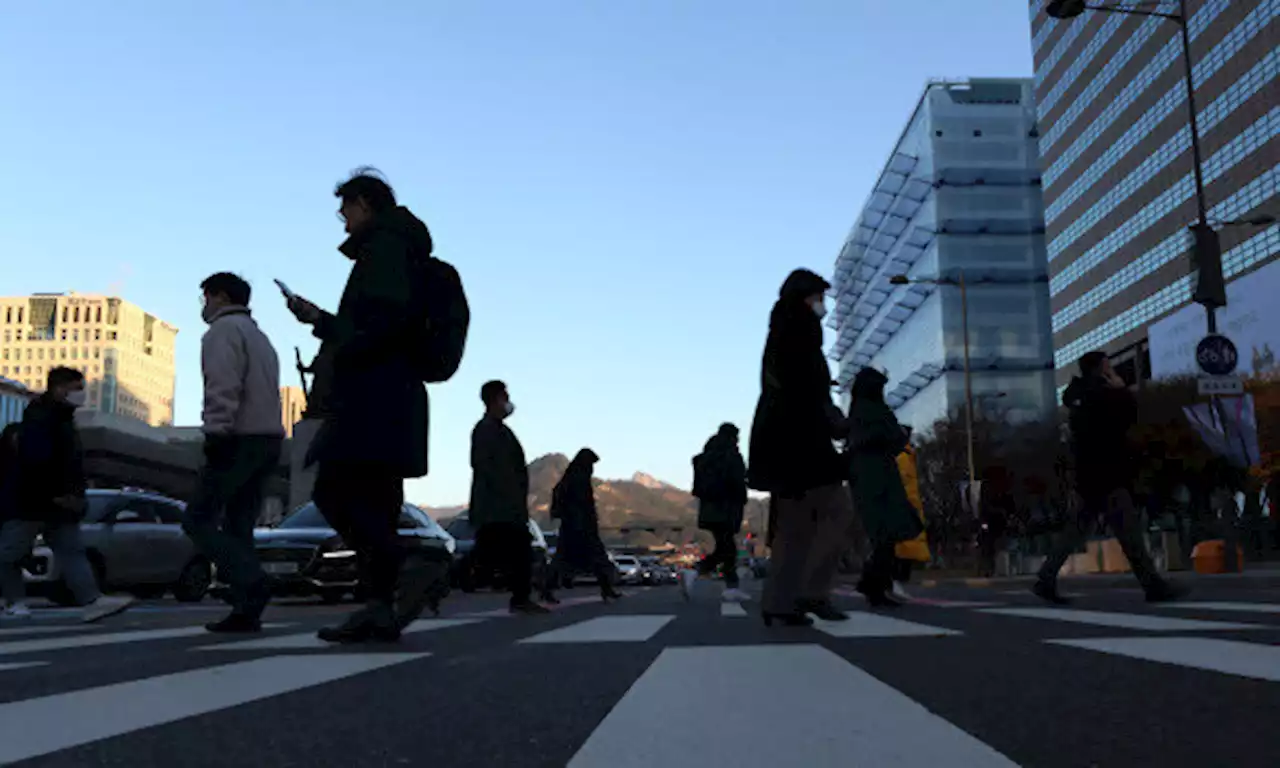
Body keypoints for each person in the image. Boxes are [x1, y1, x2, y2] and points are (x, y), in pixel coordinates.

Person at [286, 169, 431, 642]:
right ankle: (379, 609)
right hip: (395, 394)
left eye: (345, 209)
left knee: (334, 490)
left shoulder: (385, 251)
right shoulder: (402, 249)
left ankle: (408, 567)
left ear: (365, 205)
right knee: (378, 501)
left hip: (374, 394)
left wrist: (323, 322)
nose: (342, 221)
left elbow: (380, 328)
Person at [1034, 351, 1185, 604]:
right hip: (1107, 473)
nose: (1111, 368)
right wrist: (1121, 389)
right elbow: (1128, 417)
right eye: (1107, 365)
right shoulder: (1102, 394)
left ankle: (1046, 578)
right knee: (1128, 532)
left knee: (1078, 531)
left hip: (1089, 474)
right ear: (1099, 368)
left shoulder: (1079, 398)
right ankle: (1153, 585)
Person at [747, 269, 852, 627]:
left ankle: (779, 601)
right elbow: (809, 392)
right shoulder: (802, 333)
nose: (823, 306)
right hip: (804, 442)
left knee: (793, 526)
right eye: (819, 298)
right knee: (836, 511)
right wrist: (834, 422)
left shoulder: (779, 332)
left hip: (779, 443)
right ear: (805, 298)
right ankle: (813, 592)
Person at [183, 273, 285, 634]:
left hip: (238, 438)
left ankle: (252, 582)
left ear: (220, 297)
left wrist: (215, 432)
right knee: (240, 523)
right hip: (269, 439)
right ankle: (246, 608)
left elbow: (223, 385)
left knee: (198, 519)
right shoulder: (260, 337)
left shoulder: (221, 333)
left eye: (206, 297)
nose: (204, 305)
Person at [0, 368, 133, 622]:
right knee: (10, 554)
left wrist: (72, 495)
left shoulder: (60, 418)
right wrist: (59, 494)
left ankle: (90, 599)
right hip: (33, 501)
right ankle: (16, 601)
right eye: (76, 388)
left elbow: (67, 464)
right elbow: (37, 462)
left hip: (52, 501)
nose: (81, 394)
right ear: (59, 388)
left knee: (69, 550)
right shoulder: (43, 418)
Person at [468, 380, 547, 615]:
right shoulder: (486, 430)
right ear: (495, 399)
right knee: (517, 549)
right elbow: (486, 467)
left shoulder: (500, 430)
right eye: (505, 397)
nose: (509, 403)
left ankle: (520, 596)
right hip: (497, 507)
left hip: (504, 507)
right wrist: (508, 498)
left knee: (492, 552)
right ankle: (520, 598)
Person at [848, 367, 922, 608]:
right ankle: (873, 582)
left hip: (868, 476)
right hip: (881, 475)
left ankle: (873, 582)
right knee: (889, 532)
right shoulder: (875, 411)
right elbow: (890, 436)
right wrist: (899, 435)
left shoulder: (858, 411)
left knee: (884, 533)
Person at [542, 448, 622, 603]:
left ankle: (548, 589)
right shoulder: (578, 479)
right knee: (597, 558)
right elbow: (582, 505)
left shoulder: (572, 477)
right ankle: (607, 589)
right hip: (579, 526)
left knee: (564, 560)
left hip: (574, 526)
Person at [683, 423, 750, 603]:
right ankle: (698, 571)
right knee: (727, 548)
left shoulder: (705, 458)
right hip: (727, 508)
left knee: (725, 547)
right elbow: (737, 482)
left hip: (709, 510)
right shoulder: (731, 456)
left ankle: (729, 585)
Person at [891, 427, 929, 600]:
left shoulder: (905, 454)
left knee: (904, 546)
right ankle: (894, 581)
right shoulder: (903, 455)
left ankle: (895, 581)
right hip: (905, 506)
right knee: (902, 546)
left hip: (907, 506)